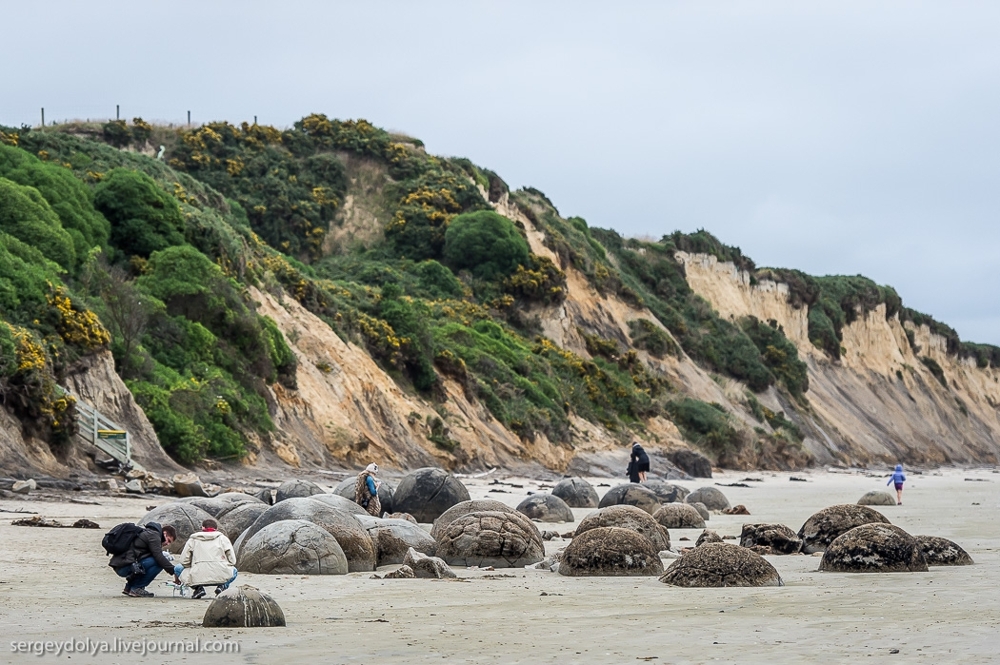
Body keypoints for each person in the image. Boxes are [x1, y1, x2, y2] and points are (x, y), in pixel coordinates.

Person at [173, 518, 237, 599]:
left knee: (178, 568)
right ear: (216, 529)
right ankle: (222, 587)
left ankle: (198, 589)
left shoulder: (193, 539)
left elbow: (183, 561)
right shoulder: (223, 539)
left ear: (202, 528)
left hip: (197, 577)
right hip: (220, 576)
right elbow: (233, 560)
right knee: (234, 571)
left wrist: (192, 565)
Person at [109, 522, 177, 597]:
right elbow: (159, 557)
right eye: (169, 540)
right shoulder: (154, 536)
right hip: (124, 566)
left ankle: (129, 588)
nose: (168, 544)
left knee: (149, 562)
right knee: (159, 563)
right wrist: (174, 571)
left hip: (120, 564)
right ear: (165, 533)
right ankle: (137, 588)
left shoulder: (149, 532)